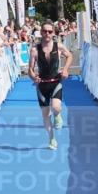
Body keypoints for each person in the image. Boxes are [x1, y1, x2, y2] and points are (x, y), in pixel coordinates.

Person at [28, 20, 73, 150]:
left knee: (56, 107)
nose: (47, 34)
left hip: (55, 82)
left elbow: (69, 56)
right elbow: (30, 69)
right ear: (41, 32)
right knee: (45, 115)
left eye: (50, 31)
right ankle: (52, 138)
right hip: (42, 85)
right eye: (45, 31)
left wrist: (65, 69)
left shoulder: (58, 46)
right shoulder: (35, 50)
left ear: (53, 33)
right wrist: (33, 77)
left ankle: (58, 115)